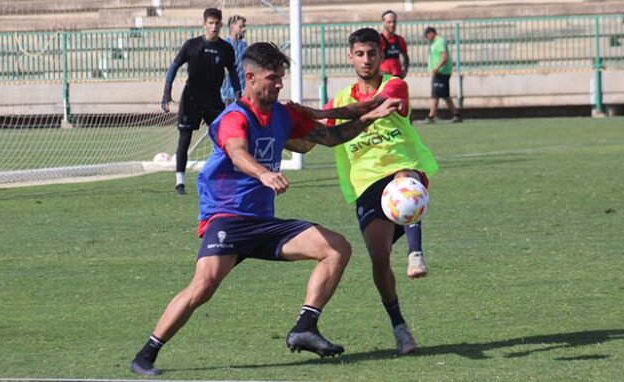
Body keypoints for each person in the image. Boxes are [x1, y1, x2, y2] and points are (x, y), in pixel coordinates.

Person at [129, 42, 401, 376]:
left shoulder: (283, 115)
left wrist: (368, 118)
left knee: (336, 248)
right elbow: (237, 151)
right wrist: (264, 173)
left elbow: (329, 137)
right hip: (227, 218)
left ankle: (305, 327)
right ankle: (147, 353)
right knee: (202, 288)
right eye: (272, 78)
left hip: (263, 223)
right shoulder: (234, 117)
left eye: (281, 78)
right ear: (250, 78)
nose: (279, 85)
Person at [303, 28, 439, 355]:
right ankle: (400, 327)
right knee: (378, 259)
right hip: (366, 184)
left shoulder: (395, 84)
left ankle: (416, 253)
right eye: (360, 54)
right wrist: (286, 129)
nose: (366, 60)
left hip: (400, 168)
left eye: (372, 54)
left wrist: (318, 113)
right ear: (350, 57)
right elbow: (314, 137)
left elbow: (375, 104)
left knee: (405, 183)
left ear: (381, 55)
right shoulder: (339, 99)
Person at [161, 8, 241, 196]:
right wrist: (167, 92)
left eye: (217, 23)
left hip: (214, 100)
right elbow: (174, 66)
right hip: (191, 99)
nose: (214, 27)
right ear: (204, 24)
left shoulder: (226, 48)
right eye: (210, 23)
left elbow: (233, 72)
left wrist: (238, 94)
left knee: (224, 139)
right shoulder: (192, 45)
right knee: (185, 139)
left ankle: (222, 178)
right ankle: (180, 182)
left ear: (221, 25)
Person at [422, 26, 461, 124]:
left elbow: (444, 56)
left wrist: (437, 68)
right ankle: (455, 114)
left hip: (441, 72)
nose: (427, 38)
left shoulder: (439, 42)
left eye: (427, 35)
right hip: (440, 72)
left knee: (435, 94)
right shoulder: (434, 42)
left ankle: (431, 116)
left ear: (432, 33)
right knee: (444, 95)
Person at [220, 15, 248, 105]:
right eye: (241, 26)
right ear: (232, 27)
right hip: (226, 93)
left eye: (244, 26)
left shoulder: (244, 45)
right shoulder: (224, 45)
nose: (244, 29)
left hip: (242, 91)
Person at [379, 10, 410, 79]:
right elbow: (373, 59)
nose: (392, 24)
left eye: (394, 22)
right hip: (383, 77)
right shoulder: (379, 40)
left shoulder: (400, 39)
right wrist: (379, 72)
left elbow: (405, 57)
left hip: (397, 76)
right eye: (389, 22)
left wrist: (405, 70)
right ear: (383, 23)